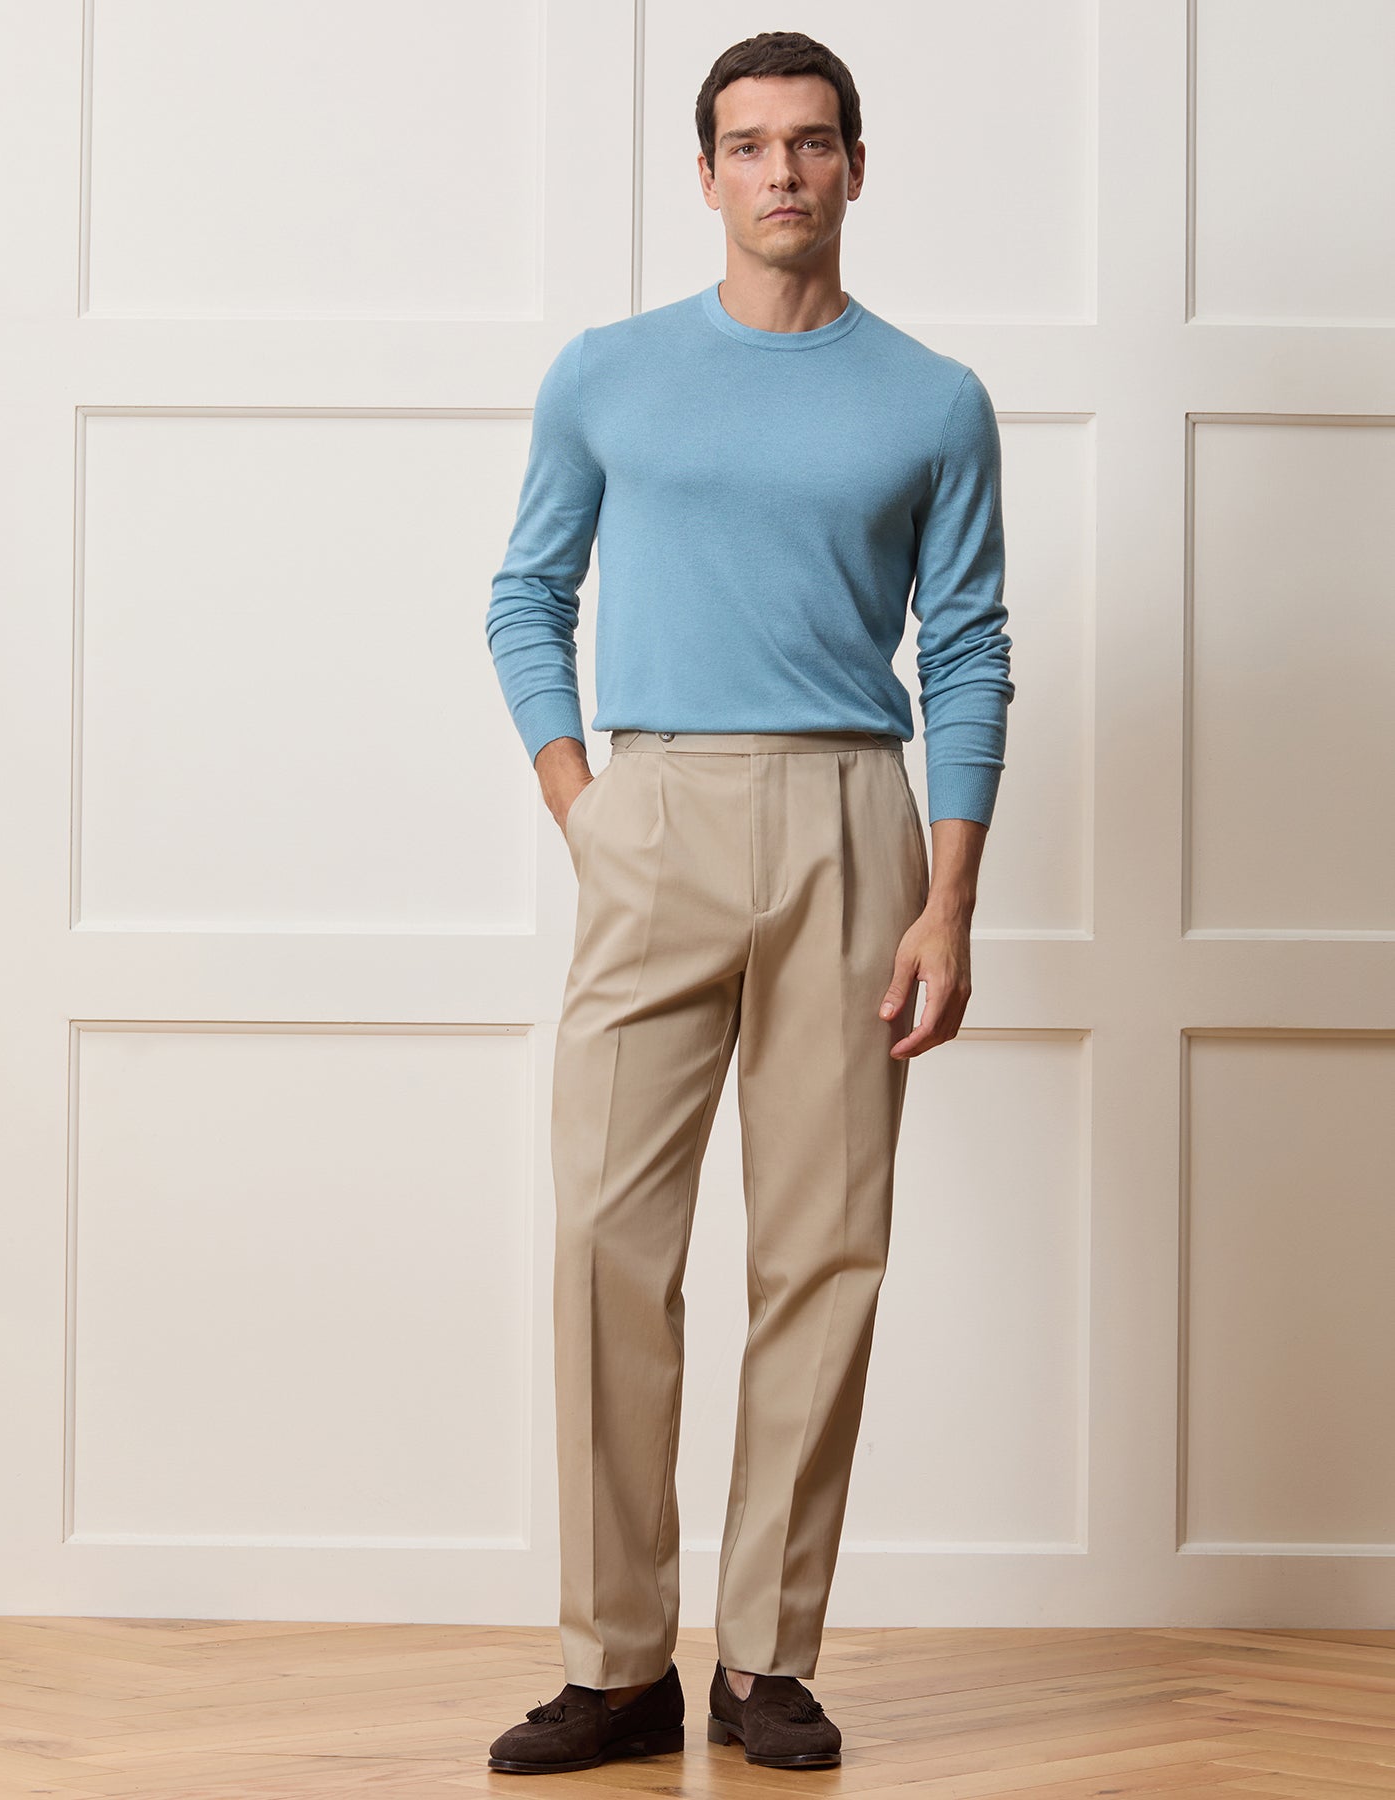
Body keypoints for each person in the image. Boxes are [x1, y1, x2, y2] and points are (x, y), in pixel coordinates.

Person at [482, 29, 1013, 1778]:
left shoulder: (933, 399)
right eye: (752, 143)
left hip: (855, 819)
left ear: (857, 165)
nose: (783, 170)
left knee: (824, 1252)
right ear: (705, 172)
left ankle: (767, 1660)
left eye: (813, 141)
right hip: (657, 805)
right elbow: (526, 594)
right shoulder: (608, 374)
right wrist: (586, 806)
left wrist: (948, 899)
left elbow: (970, 648)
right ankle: (617, 1664)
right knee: (603, 1244)